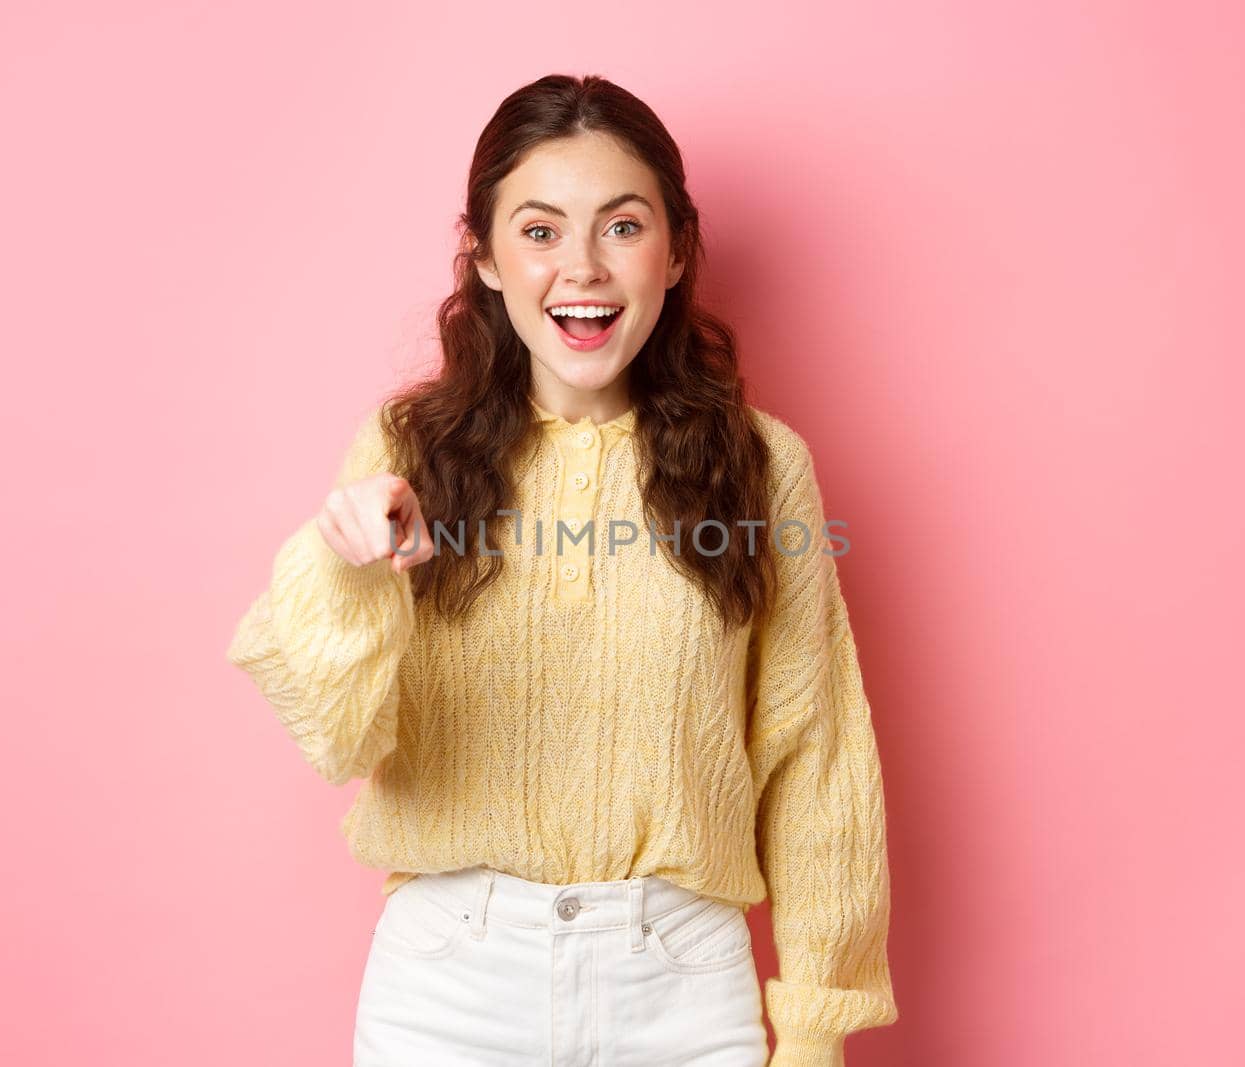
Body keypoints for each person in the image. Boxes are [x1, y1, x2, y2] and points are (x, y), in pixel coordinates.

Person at [225, 72, 898, 1066]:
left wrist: (814, 1029)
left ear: (674, 254)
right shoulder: (405, 448)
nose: (580, 266)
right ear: (486, 260)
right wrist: (343, 570)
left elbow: (815, 750)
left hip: (681, 982)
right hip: (450, 985)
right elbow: (338, 736)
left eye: (622, 227)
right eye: (539, 231)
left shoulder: (759, 465)